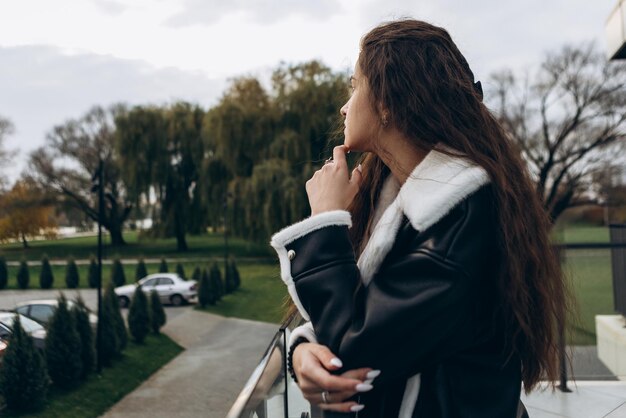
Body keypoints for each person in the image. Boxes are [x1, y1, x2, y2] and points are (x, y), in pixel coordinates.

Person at [270, 19, 569, 417]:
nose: (344, 106)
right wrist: (305, 348)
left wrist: (326, 222)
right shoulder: (400, 199)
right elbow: (387, 315)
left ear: (388, 101)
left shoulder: (461, 215)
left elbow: (356, 346)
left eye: (354, 86)